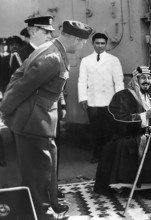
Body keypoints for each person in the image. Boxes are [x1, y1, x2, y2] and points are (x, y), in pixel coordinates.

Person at [0, 20, 93, 220]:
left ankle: (51, 204)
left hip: (42, 119)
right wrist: (4, 113)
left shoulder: (52, 50)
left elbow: (19, 75)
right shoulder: (52, 56)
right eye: (82, 42)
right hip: (33, 122)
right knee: (37, 173)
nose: (82, 46)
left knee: (48, 167)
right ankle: (39, 214)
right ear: (75, 39)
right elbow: (20, 86)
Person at [94, 66, 151, 194]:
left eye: (149, 78)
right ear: (135, 80)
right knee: (129, 145)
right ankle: (128, 186)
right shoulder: (122, 96)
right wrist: (145, 116)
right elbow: (117, 120)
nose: (147, 81)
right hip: (128, 135)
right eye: (143, 78)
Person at [78, 32, 124, 164]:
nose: (100, 46)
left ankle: (110, 156)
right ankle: (97, 155)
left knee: (110, 129)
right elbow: (82, 81)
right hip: (93, 101)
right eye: (97, 43)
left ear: (106, 44)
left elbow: (119, 81)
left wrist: (119, 99)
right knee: (96, 129)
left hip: (110, 101)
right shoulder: (86, 61)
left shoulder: (113, 60)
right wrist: (83, 98)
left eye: (102, 43)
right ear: (93, 44)